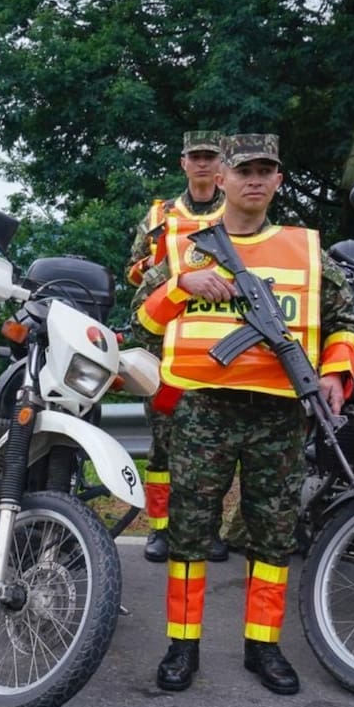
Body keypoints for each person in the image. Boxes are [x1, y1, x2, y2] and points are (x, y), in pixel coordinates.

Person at [132, 134, 354, 696]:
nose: (255, 180)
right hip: (203, 410)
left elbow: (346, 322)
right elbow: (142, 324)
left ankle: (263, 647)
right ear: (224, 180)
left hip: (279, 415)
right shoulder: (187, 249)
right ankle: (182, 647)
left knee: (273, 536)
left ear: (278, 181)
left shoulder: (305, 250)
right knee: (188, 536)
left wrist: (335, 374)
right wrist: (181, 287)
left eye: (266, 171)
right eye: (244, 170)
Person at [126, 130, 229, 564]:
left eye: (210, 156)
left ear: (221, 163)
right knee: (164, 445)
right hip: (167, 344)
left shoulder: (239, 209)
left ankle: (208, 531)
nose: (203, 164)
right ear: (183, 162)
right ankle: (160, 530)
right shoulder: (160, 215)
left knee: (218, 448)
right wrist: (161, 272)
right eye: (196, 156)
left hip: (222, 347)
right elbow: (132, 272)